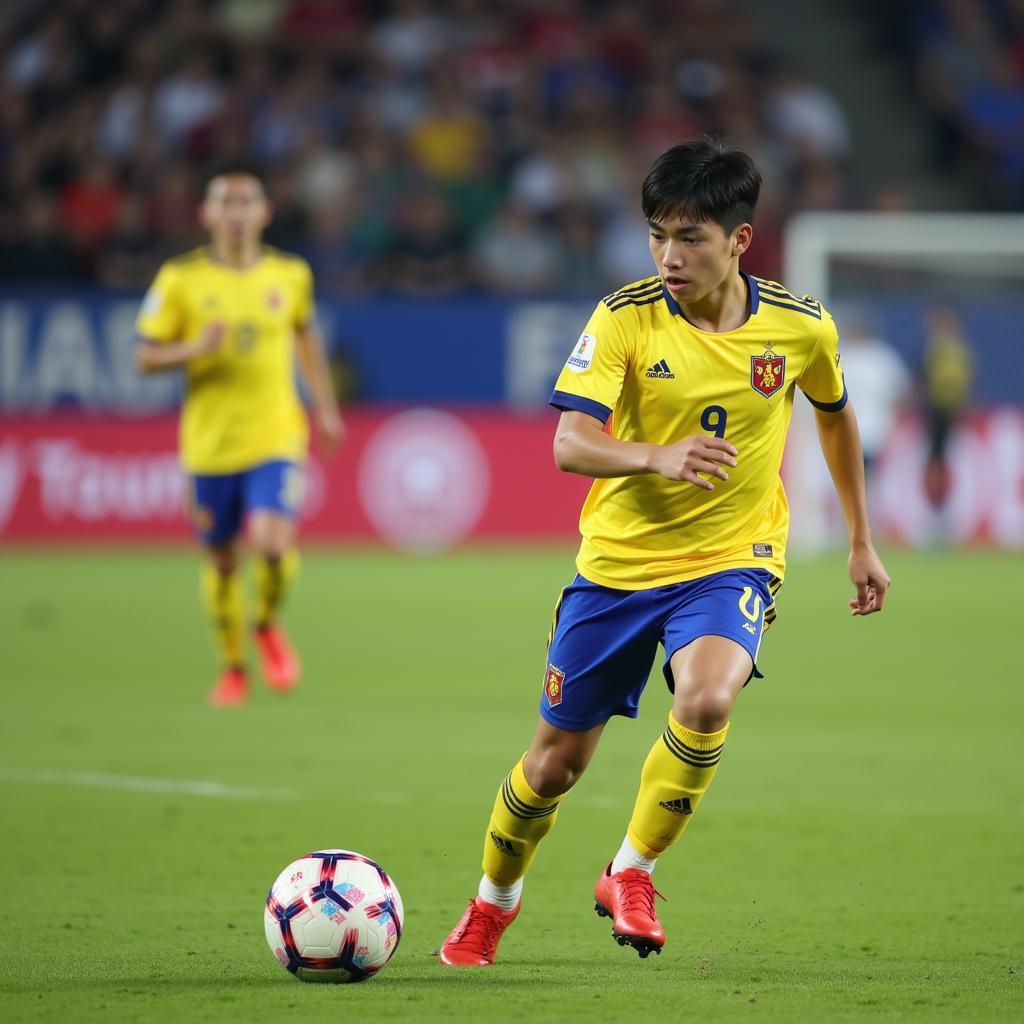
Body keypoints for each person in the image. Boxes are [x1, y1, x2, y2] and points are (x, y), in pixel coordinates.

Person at [438, 137, 891, 966]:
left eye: (690, 238)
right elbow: (570, 444)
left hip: (732, 556)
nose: (669, 256)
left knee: (709, 700)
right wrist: (658, 454)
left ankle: (631, 868)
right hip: (617, 567)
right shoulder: (625, 315)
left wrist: (861, 537)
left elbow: (834, 412)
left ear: (740, 241)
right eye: (658, 235)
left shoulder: (799, 326)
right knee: (552, 769)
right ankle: (492, 903)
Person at [135, 160, 344, 707]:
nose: (236, 213)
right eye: (224, 203)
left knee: (273, 546)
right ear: (206, 214)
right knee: (224, 560)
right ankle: (232, 668)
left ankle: (267, 624)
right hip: (209, 445)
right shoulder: (180, 280)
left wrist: (324, 407)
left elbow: (306, 337)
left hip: (275, 435)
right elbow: (142, 356)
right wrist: (191, 349)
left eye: (245, 202)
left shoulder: (290, 275)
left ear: (264, 213)